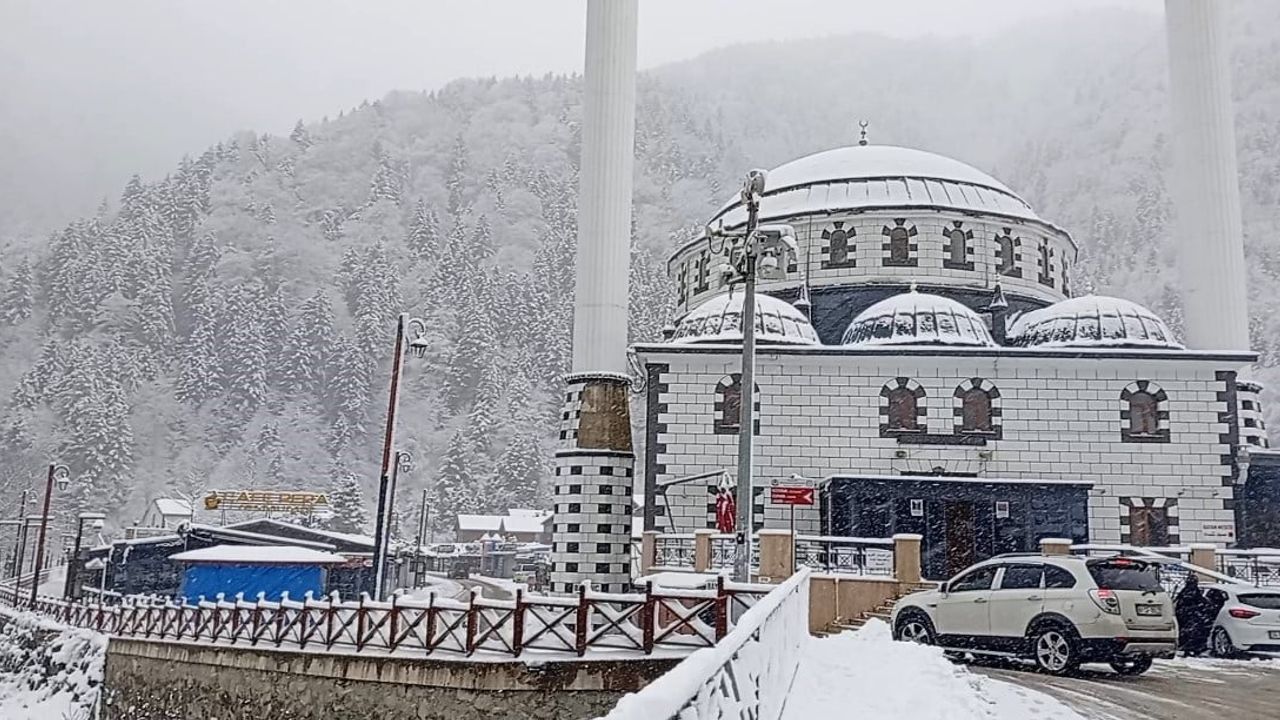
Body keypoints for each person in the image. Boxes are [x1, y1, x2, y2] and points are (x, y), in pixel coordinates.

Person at [1175, 574, 1210, 655]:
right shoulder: (1194, 591)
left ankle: (1186, 647)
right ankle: (1191, 648)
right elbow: (1200, 601)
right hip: (1191, 615)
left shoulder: (1184, 591)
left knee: (1185, 632)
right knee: (1193, 632)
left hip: (1183, 614)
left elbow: (1178, 601)